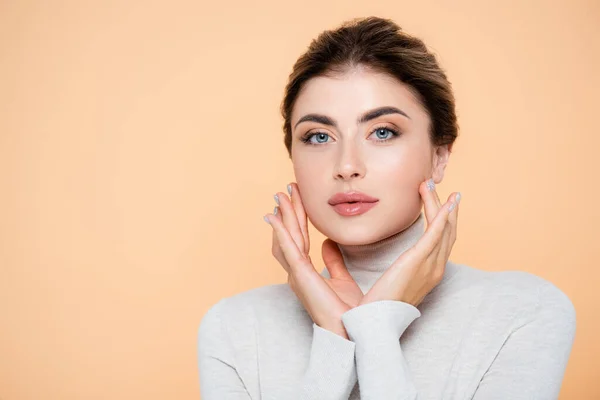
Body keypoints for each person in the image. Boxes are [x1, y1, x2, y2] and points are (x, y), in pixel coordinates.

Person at [197, 16, 576, 400]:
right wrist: (335, 337)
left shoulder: (523, 313)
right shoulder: (234, 328)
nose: (346, 166)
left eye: (382, 132)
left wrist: (375, 328)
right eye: (318, 136)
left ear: (439, 155)